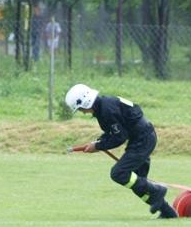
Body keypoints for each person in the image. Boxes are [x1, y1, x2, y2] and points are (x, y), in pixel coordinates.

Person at [65, 83, 178, 219]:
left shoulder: (107, 110)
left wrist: (98, 146)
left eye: (81, 108)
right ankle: (168, 213)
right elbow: (113, 132)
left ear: (86, 101)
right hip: (140, 139)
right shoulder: (104, 106)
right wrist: (97, 143)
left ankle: (158, 190)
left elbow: (119, 137)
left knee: (118, 173)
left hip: (143, 140)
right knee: (138, 185)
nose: (82, 112)